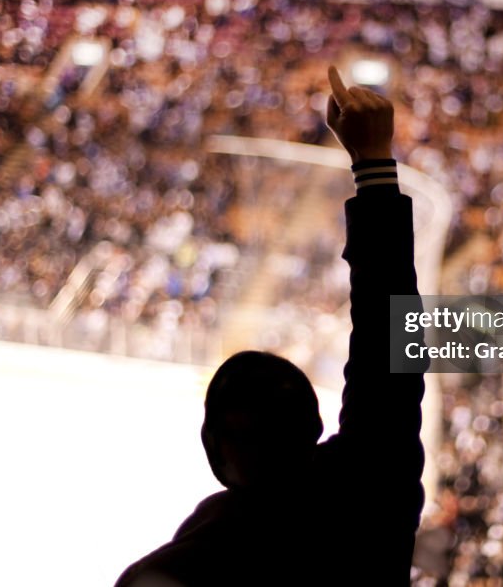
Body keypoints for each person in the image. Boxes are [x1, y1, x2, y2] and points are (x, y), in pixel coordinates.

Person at [114, 67, 428, 586]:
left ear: (211, 448)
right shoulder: (374, 485)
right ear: (315, 428)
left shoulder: (208, 550)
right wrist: (374, 163)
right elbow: (391, 344)